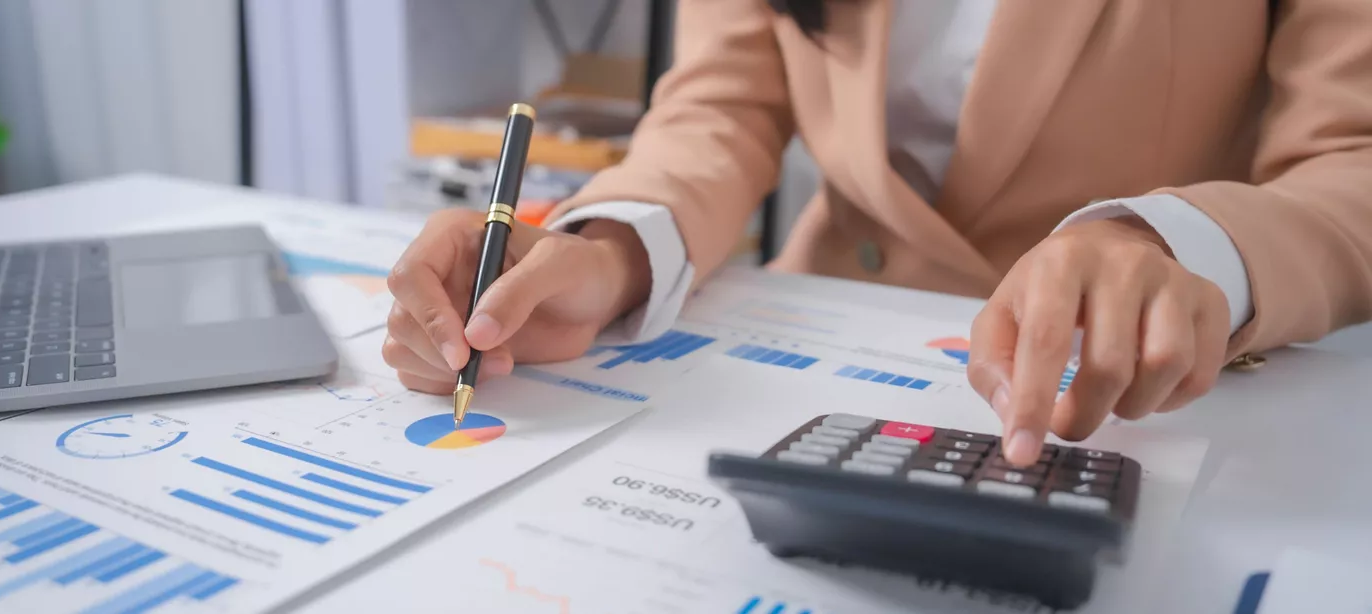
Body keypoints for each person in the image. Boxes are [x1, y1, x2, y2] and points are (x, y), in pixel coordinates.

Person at [383, 0, 1372, 467]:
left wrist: (1169, 240)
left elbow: (1354, 155)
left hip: (1135, 396)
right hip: (808, 366)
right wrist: (607, 249)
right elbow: (722, 105)